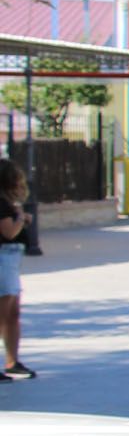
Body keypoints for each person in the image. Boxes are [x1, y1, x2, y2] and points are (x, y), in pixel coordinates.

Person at [0, 160, 32, 380]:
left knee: (13, 313)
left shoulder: (7, 203)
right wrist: (21, 217)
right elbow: (9, 232)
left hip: (11, 259)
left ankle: (13, 361)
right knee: (3, 314)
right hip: (3, 258)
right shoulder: (2, 204)